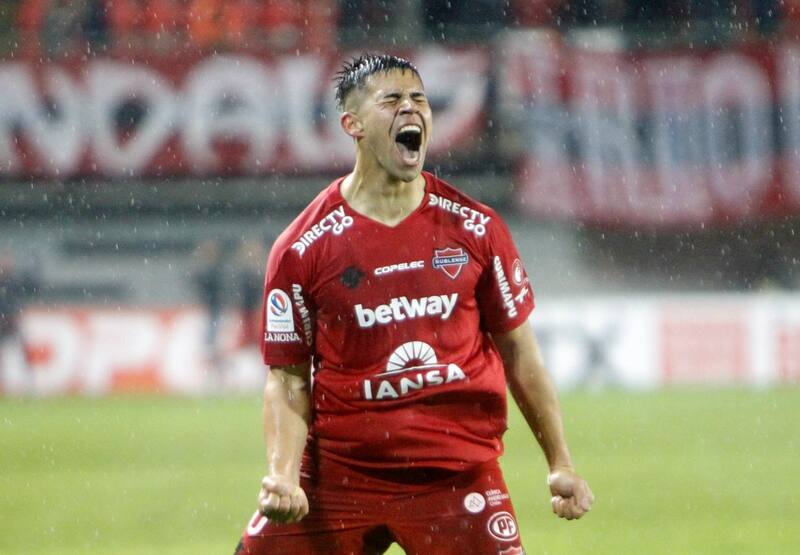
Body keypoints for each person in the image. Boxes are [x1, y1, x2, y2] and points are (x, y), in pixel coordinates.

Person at [235, 54, 594, 555]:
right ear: (353, 124)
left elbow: (520, 354)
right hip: (340, 476)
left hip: (457, 477)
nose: (412, 109)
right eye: (392, 100)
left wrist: (561, 462)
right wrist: (283, 476)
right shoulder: (303, 248)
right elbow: (289, 378)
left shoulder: (476, 228)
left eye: (419, 99)